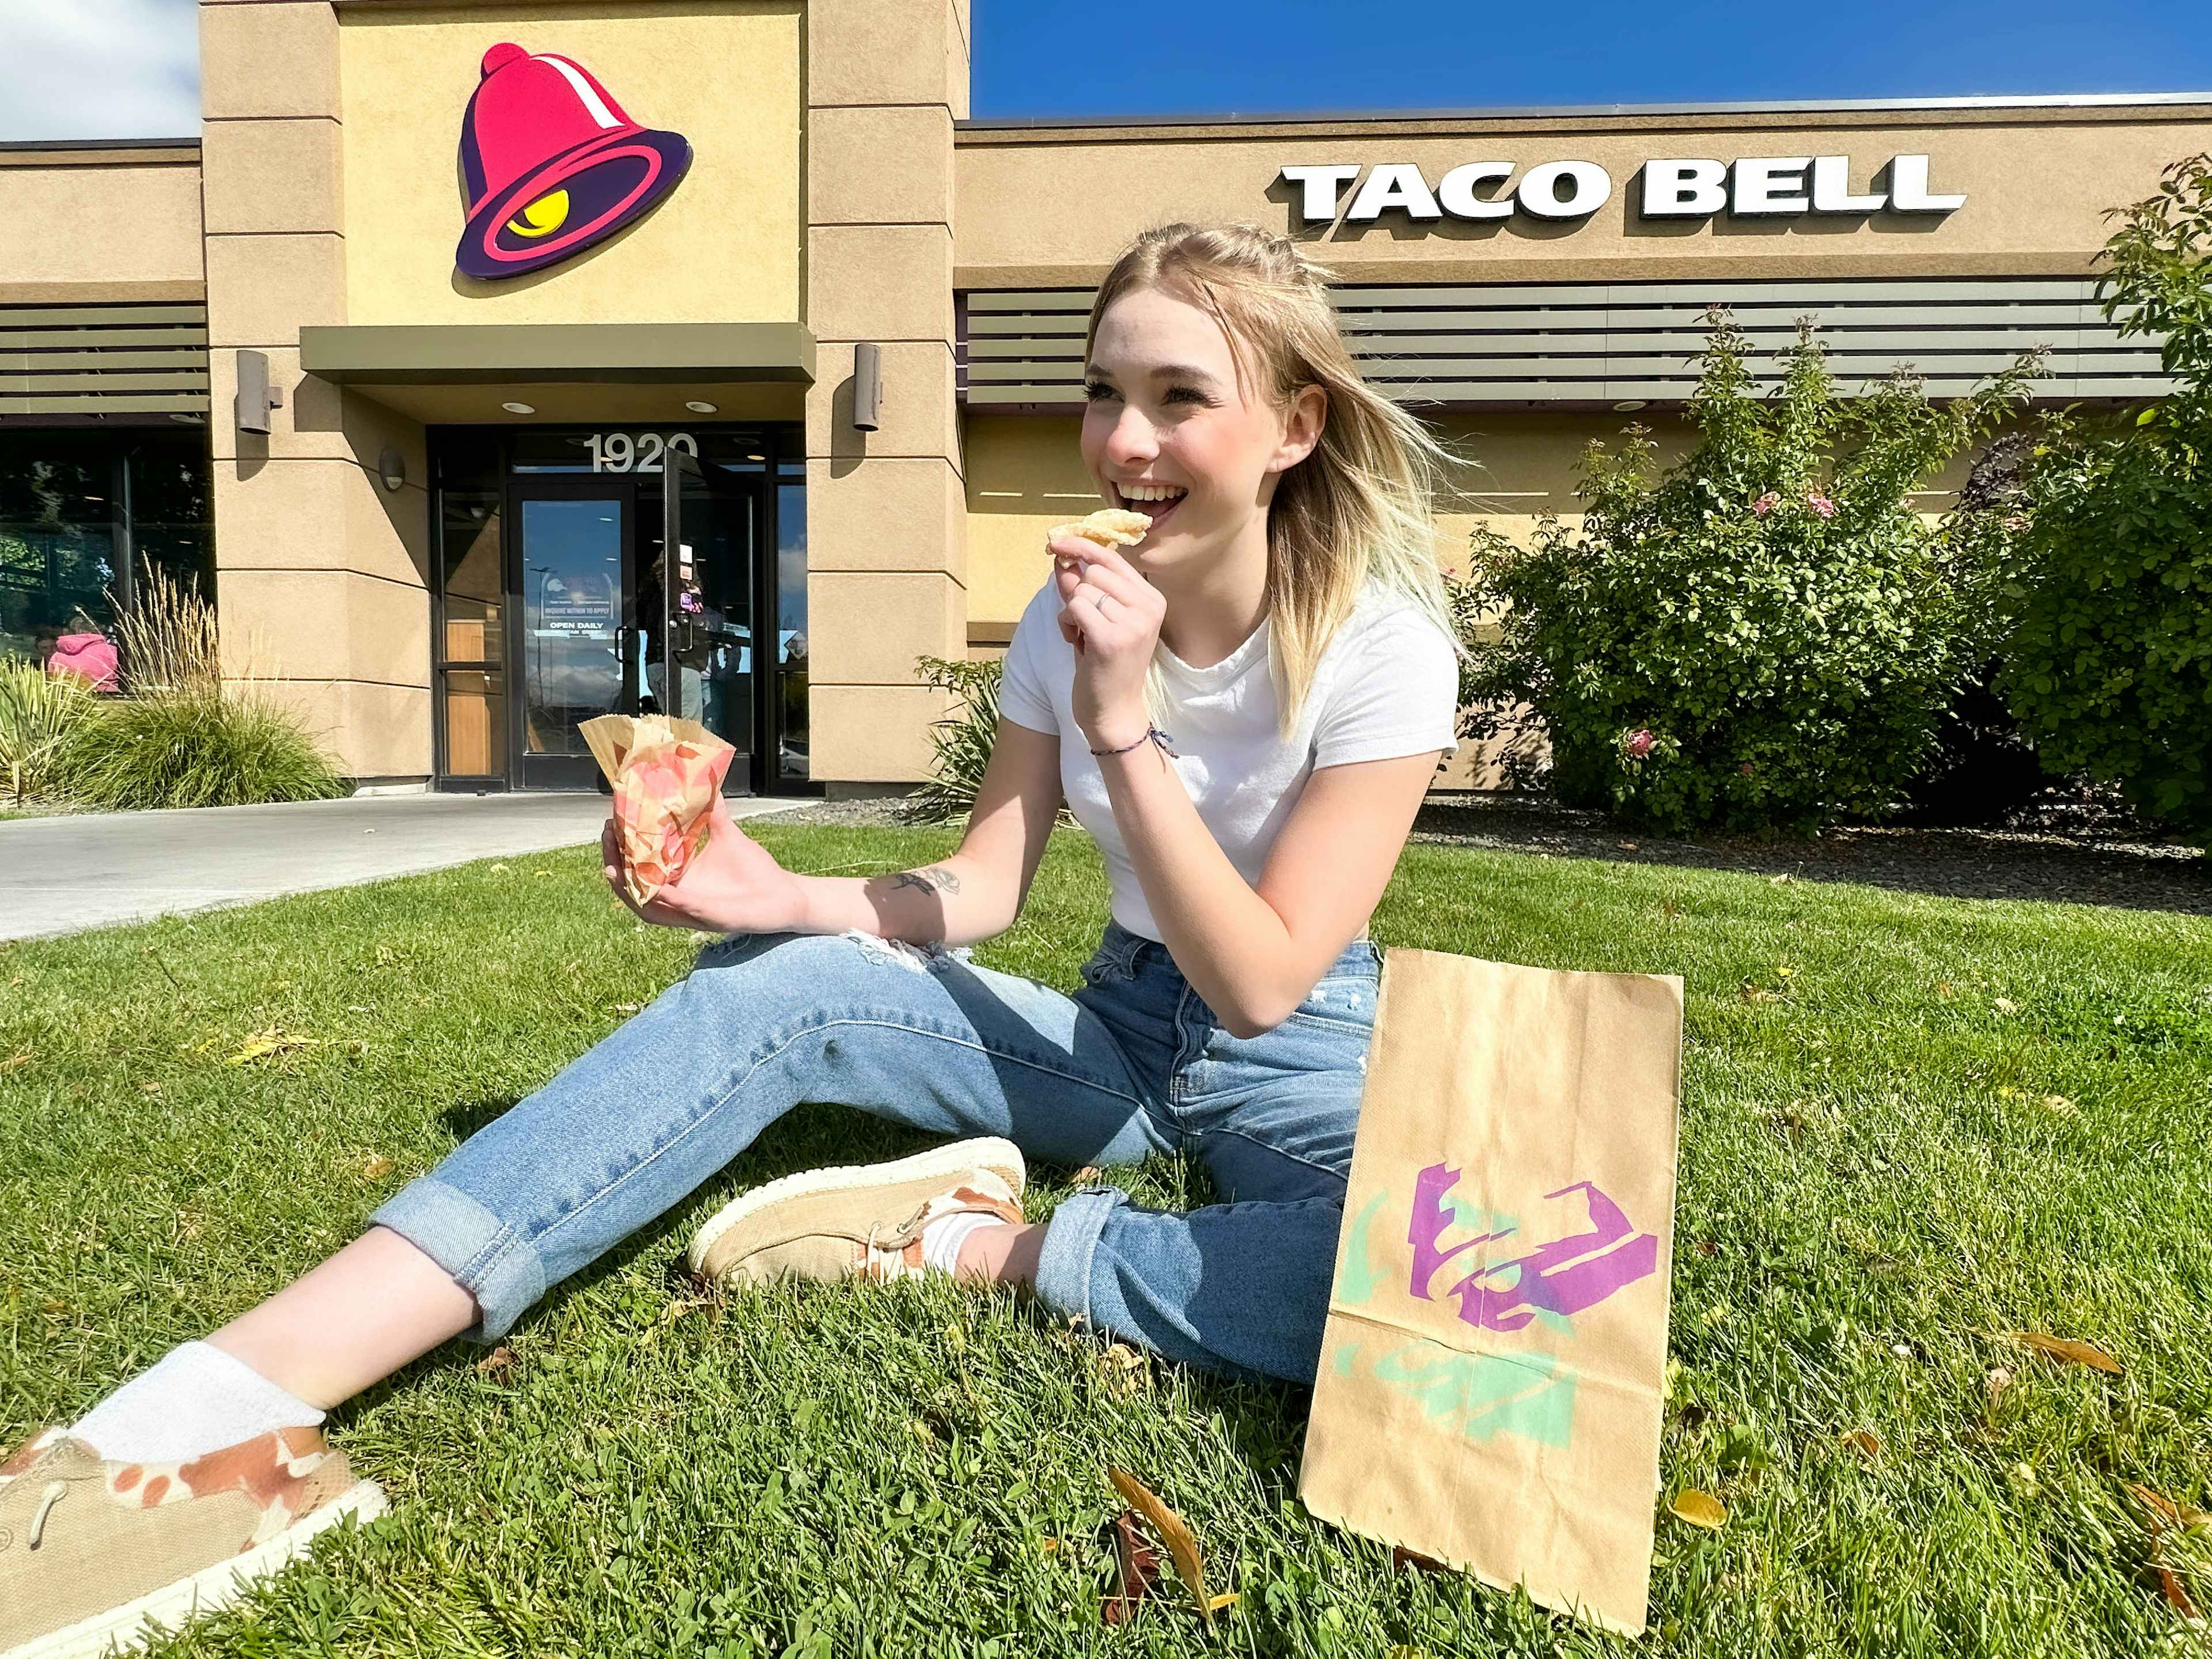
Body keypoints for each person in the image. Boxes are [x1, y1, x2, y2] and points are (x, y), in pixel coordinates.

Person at [0, 221, 1470, 1658]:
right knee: (782, 984)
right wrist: (791, 903)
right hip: (1119, 1028)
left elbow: (1270, 977)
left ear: (1292, 425)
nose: (1124, 441)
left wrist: (1125, 725)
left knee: (1432, 1273)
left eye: (1178, 400)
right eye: (1103, 392)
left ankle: (971, 1247)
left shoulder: (1380, 646)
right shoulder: (1060, 618)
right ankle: (232, 1397)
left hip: (1305, 1040)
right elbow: (985, 886)